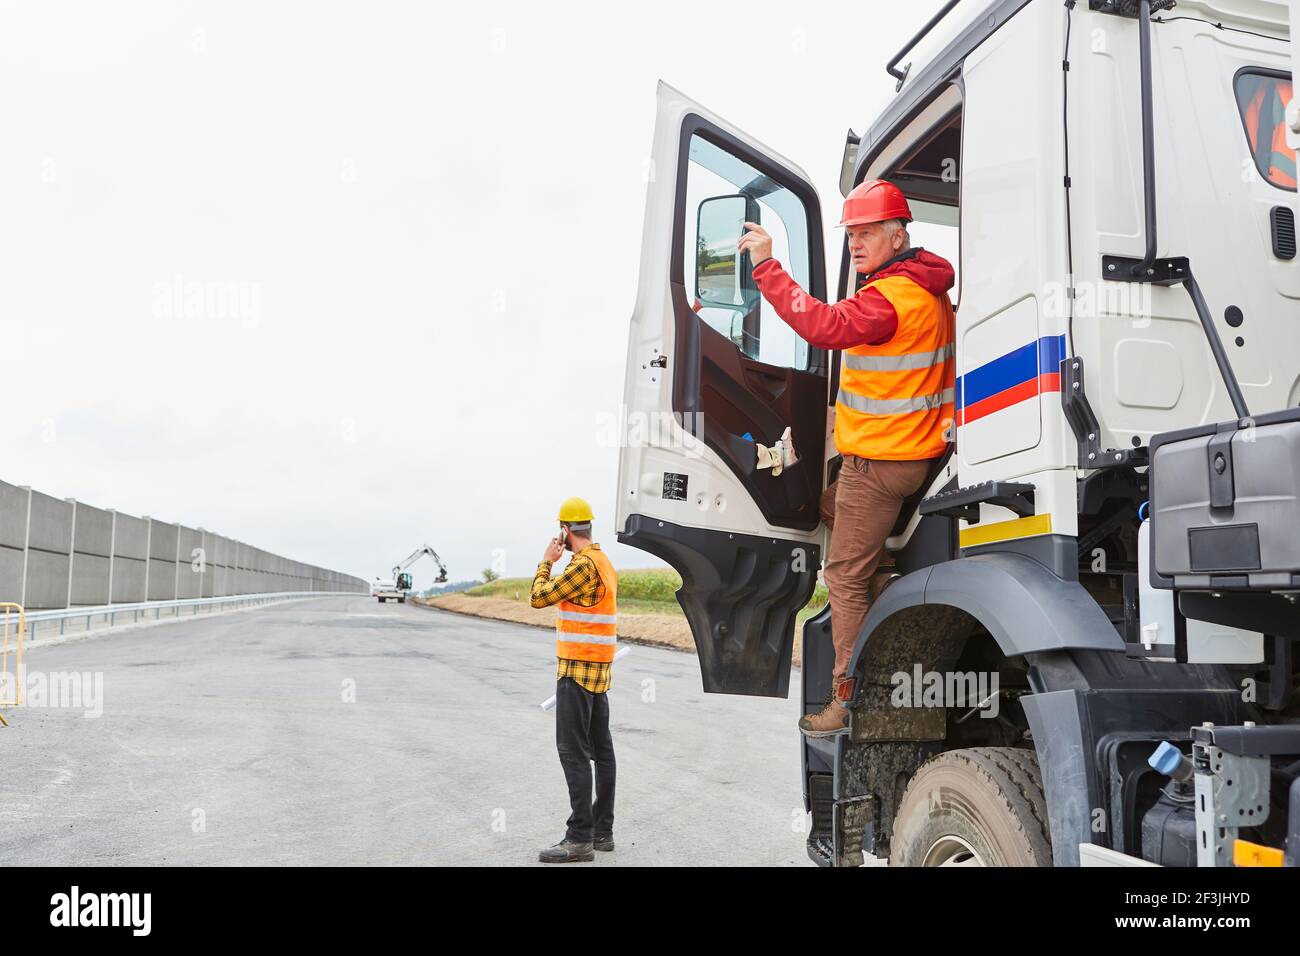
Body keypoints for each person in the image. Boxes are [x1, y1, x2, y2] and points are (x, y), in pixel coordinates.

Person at [738, 179, 956, 738]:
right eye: (852, 234)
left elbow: (823, 326)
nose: (856, 244)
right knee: (829, 504)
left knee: (841, 575)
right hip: (910, 450)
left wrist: (767, 269)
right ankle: (884, 581)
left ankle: (846, 698)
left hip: (881, 462)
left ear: (898, 233)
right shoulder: (924, 287)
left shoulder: (887, 299)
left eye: (867, 233)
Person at [529, 496, 618, 862]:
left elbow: (538, 597)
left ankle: (579, 837)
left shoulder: (581, 566)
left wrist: (546, 562)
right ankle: (602, 831)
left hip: (576, 672)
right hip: (598, 672)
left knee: (573, 752)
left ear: (565, 531)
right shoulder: (604, 562)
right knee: (602, 752)